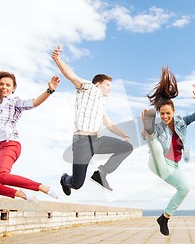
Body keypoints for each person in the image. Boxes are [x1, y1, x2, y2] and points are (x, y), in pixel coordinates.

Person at [51, 45, 133, 195]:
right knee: (77, 184)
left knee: (127, 147)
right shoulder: (88, 88)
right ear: (98, 84)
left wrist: (123, 135)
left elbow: (109, 124)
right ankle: (64, 180)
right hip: (82, 142)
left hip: (97, 141)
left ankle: (101, 173)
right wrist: (57, 59)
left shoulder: (101, 103)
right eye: (108, 85)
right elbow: (71, 76)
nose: (110, 88)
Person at [0, 62, 60, 204]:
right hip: (0, 148)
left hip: (10, 144)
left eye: (8, 85)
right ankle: (19, 194)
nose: (4, 87)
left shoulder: (15, 103)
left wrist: (49, 90)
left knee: (2, 176)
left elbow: (34, 103)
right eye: (1, 84)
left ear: (13, 88)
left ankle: (44, 188)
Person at [141, 67, 195, 236]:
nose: (165, 116)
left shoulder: (181, 122)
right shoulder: (158, 125)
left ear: (174, 112)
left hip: (173, 165)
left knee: (185, 188)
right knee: (154, 144)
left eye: (168, 113)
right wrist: (146, 128)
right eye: (162, 114)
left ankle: (164, 218)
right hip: (157, 161)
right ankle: (148, 129)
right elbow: (144, 139)